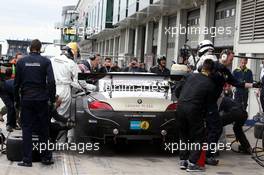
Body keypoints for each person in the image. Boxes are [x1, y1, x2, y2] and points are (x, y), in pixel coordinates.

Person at [205, 49, 260, 165]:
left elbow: (237, 83)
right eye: (230, 59)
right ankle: (208, 153)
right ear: (224, 57)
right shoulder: (212, 66)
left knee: (215, 127)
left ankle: (209, 153)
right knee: (216, 127)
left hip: (216, 104)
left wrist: (254, 85)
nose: (231, 62)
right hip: (207, 101)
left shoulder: (226, 72)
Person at [14, 39, 56, 167]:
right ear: (40, 48)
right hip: (41, 99)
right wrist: (51, 98)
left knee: (26, 129)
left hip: (27, 98)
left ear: (30, 48)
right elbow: (51, 82)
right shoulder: (46, 61)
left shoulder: (21, 62)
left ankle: (27, 160)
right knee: (44, 129)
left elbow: (16, 84)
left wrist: (17, 101)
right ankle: (46, 158)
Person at [50, 42, 96, 143]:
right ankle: (59, 142)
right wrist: (92, 87)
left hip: (51, 89)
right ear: (72, 52)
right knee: (62, 117)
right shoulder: (71, 63)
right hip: (64, 90)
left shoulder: (52, 60)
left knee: (51, 115)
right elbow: (80, 81)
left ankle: (49, 140)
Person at [178, 59, 216, 172]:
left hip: (180, 107)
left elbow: (177, 90)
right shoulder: (210, 83)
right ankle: (192, 163)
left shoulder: (190, 76)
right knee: (199, 137)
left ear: (202, 67)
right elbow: (209, 104)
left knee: (183, 135)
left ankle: (183, 161)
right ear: (212, 71)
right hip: (194, 109)